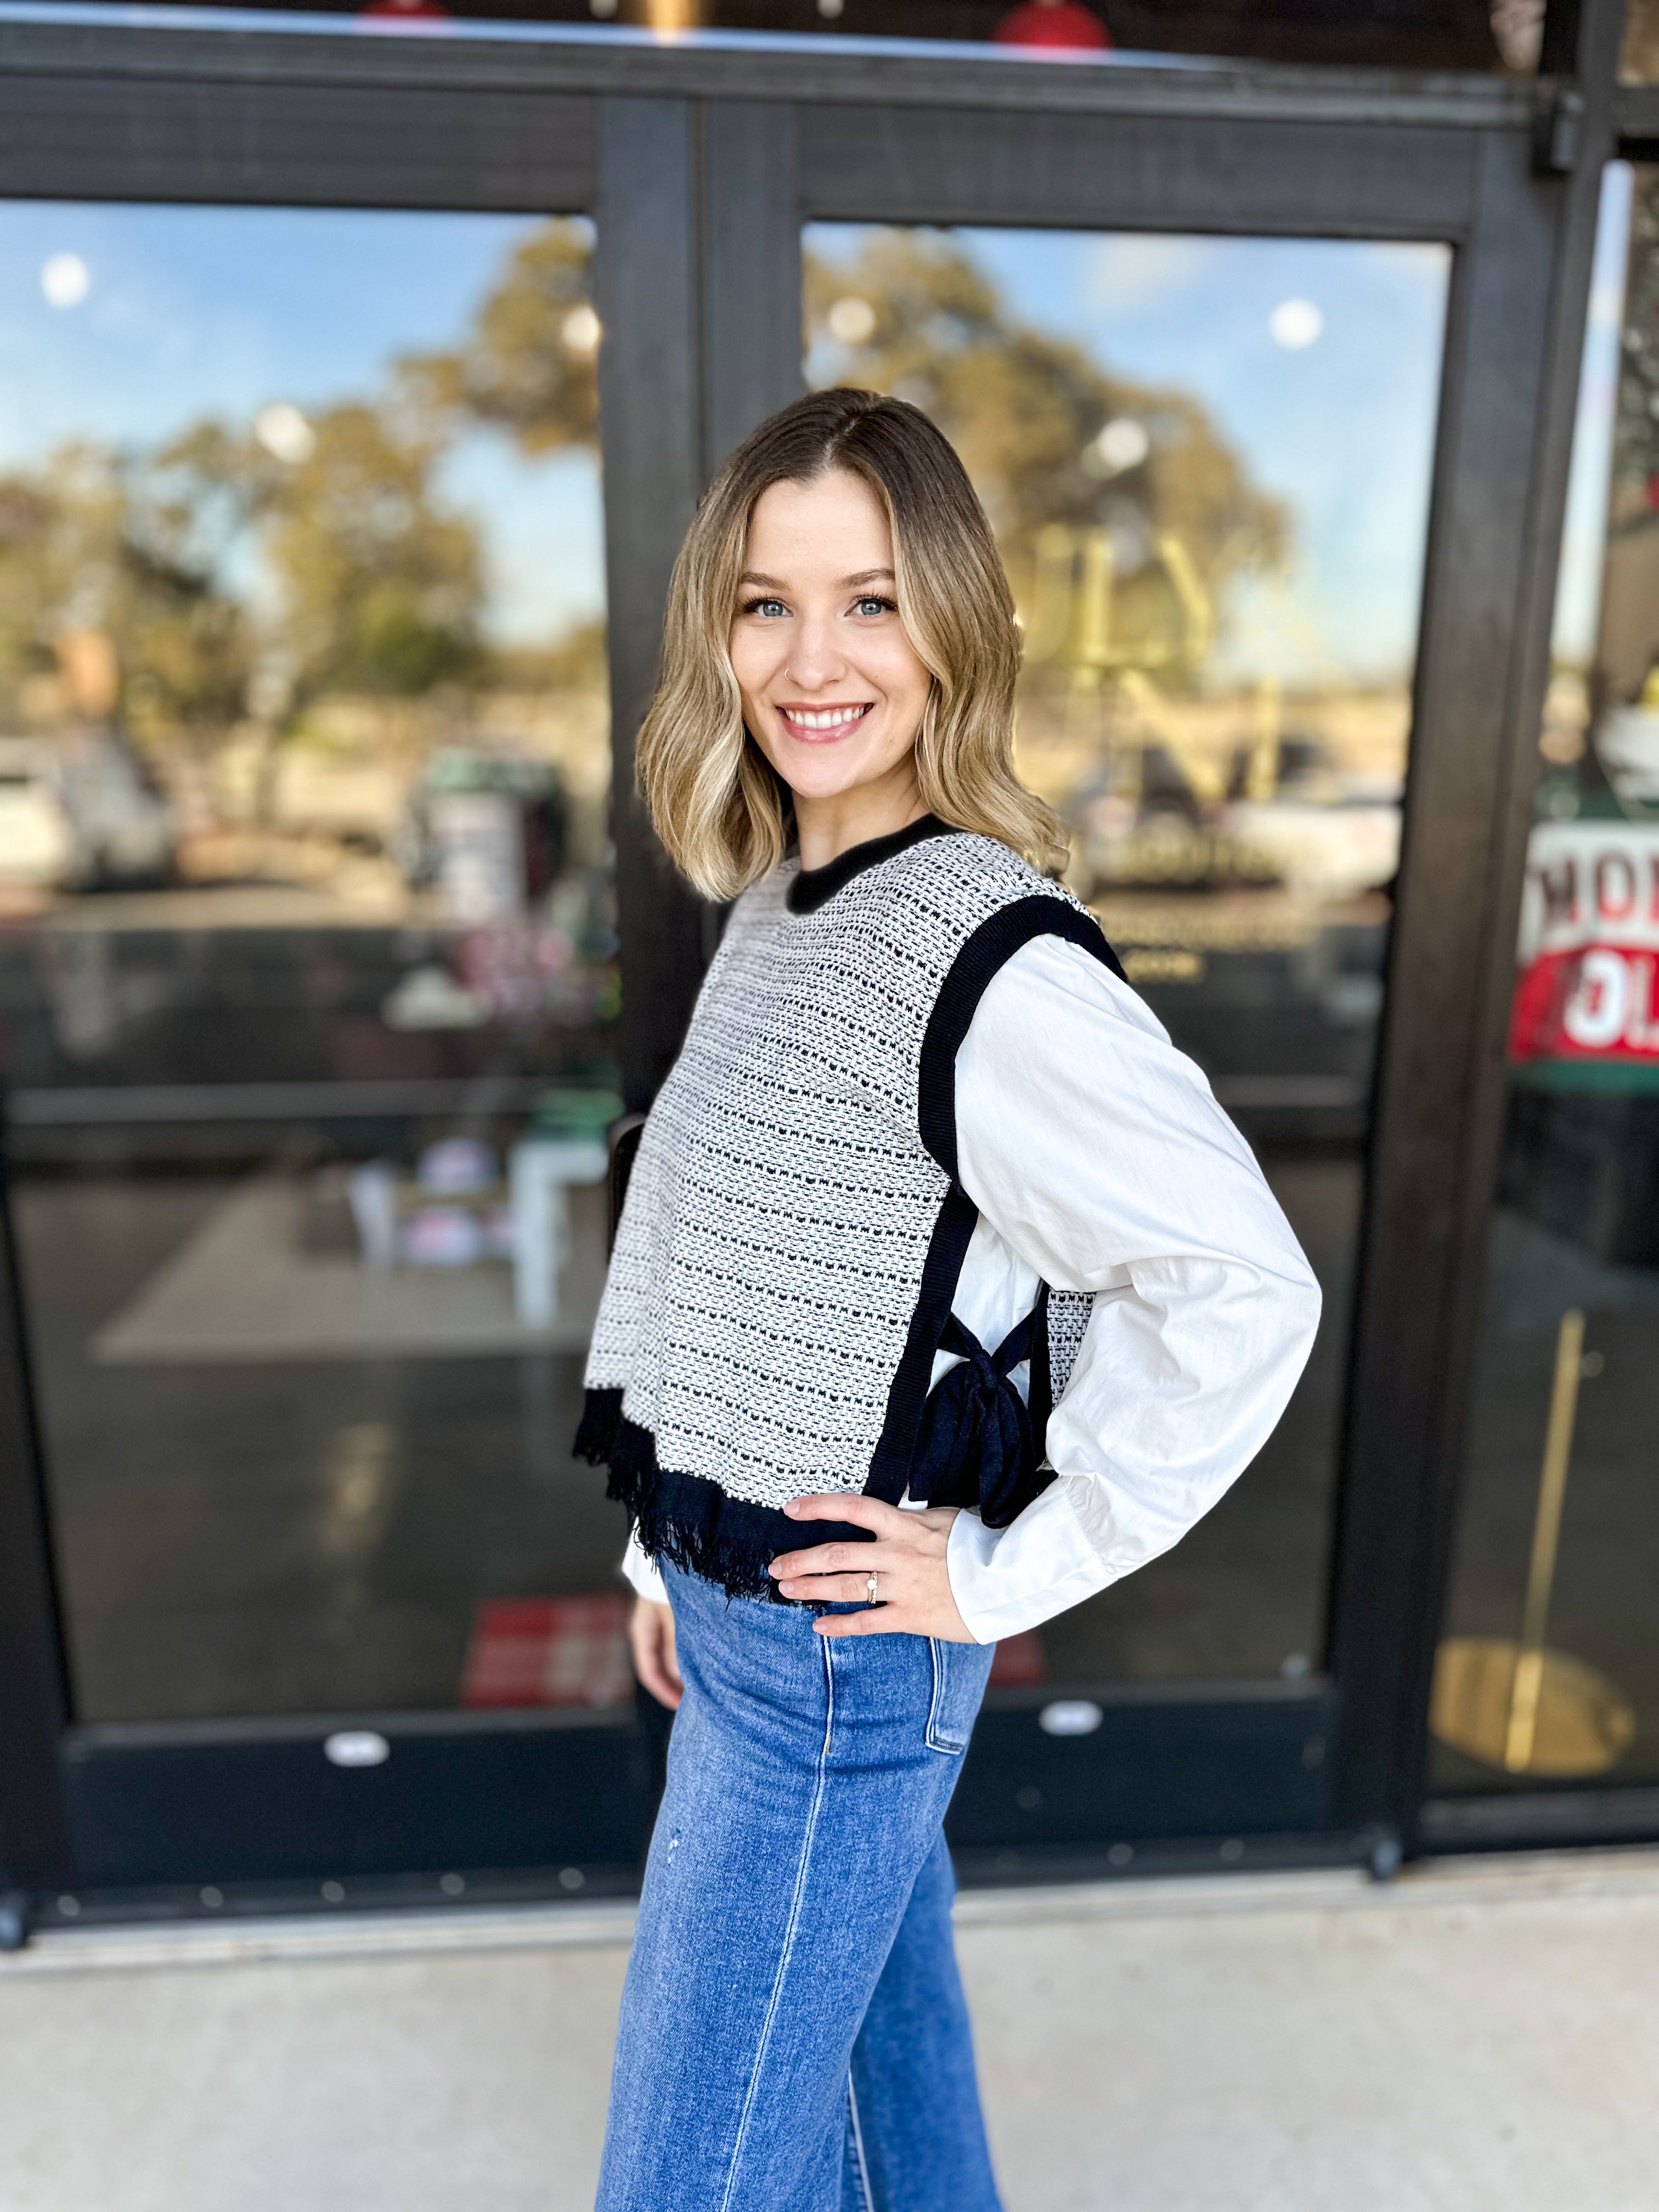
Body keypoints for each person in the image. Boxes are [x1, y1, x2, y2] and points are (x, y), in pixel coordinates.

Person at [576, 387, 1319, 2211]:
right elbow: (715, 1259)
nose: (810, 658)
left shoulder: (997, 967)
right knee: (894, 2106)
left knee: (693, 2185)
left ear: (955, 628)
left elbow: (1240, 1287)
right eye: (765, 602)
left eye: (872, 600)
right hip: (747, 1624)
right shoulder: (781, 896)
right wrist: (660, 1553)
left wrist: (999, 1572)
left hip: (838, 1662)